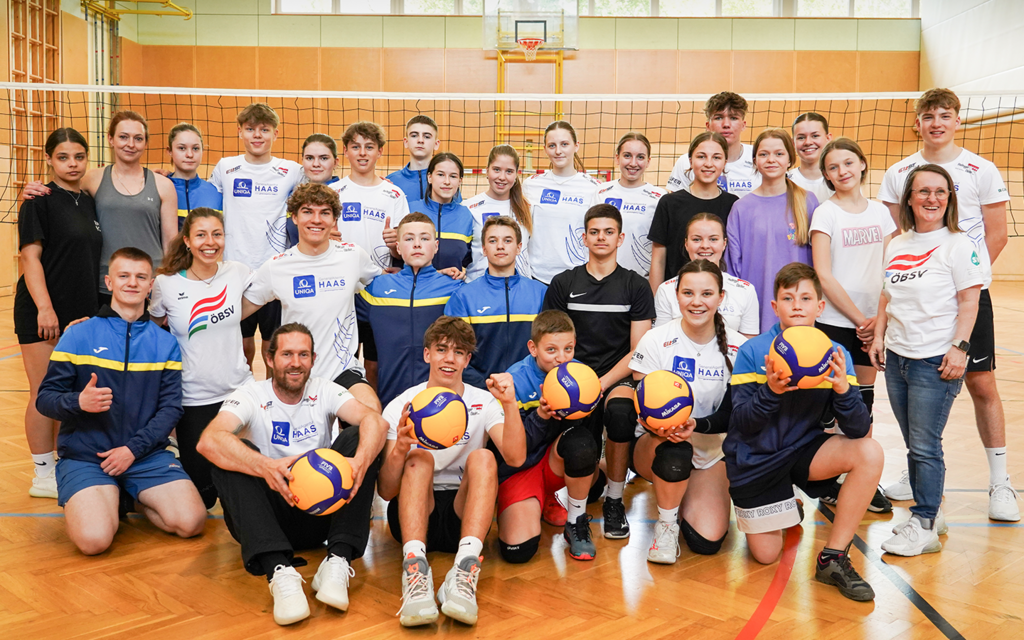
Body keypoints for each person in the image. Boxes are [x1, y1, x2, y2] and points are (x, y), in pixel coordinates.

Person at [877, 88, 1018, 521]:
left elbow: (997, 234)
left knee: (981, 384)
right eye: (928, 115)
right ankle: (917, 472)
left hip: (967, 296)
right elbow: (901, 238)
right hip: (916, 301)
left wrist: (962, 283)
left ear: (958, 120)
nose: (936, 122)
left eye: (945, 115)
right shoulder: (900, 172)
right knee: (911, 389)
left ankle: (1000, 482)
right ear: (916, 123)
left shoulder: (981, 168)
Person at [197, 323, 390, 626]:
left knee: (359, 436)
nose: (295, 363)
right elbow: (208, 440)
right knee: (229, 453)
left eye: (303, 354)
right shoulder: (250, 394)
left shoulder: (325, 389)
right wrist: (265, 465)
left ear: (313, 359)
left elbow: (376, 422)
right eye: (287, 354)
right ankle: (279, 573)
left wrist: (360, 462)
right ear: (270, 359)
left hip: (321, 514)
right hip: (268, 516)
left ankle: (338, 560)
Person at [725, 263, 882, 602]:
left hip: (804, 450)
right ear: (774, 307)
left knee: (870, 452)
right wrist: (771, 391)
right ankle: (784, 502)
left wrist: (843, 389)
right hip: (757, 459)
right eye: (788, 298)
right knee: (766, 554)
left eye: (806, 298)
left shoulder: (836, 354)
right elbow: (741, 424)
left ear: (819, 307)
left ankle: (833, 557)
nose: (797, 305)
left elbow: (857, 430)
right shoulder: (754, 352)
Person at [35, 247, 207, 556]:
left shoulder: (165, 343)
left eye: (141, 277)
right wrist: (79, 401)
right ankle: (100, 498)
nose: (132, 283)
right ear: (109, 282)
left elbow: (171, 409)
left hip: (144, 455)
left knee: (191, 522)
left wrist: (133, 450)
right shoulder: (78, 335)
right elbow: (45, 400)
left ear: (150, 285)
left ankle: (129, 497)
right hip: (87, 457)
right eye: (123, 276)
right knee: (94, 541)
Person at [377, 316, 525, 627]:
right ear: (427, 354)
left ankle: (464, 571)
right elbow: (386, 491)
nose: (449, 358)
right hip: (416, 515)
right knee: (419, 459)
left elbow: (515, 457)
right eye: (442, 349)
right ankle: (415, 573)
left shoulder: (483, 402)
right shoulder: (402, 404)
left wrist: (510, 404)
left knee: (485, 457)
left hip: (464, 515)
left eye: (458, 352)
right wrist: (401, 448)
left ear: (467, 360)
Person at [870, 165, 985, 556]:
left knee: (924, 445)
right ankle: (932, 515)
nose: (931, 199)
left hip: (935, 359)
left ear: (949, 198)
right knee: (914, 443)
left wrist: (961, 348)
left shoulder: (958, 244)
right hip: (899, 357)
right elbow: (887, 294)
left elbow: (971, 300)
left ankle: (923, 523)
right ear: (910, 198)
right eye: (923, 192)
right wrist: (880, 336)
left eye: (939, 191)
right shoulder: (898, 243)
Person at [543, 204, 655, 541]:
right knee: (581, 453)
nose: (601, 237)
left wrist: (601, 384)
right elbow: (552, 341)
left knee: (621, 415)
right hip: (572, 378)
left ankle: (616, 502)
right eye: (594, 232)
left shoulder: (636, 286)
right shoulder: (564, 283)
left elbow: (639, 351)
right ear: (584, 237)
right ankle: (581, 508)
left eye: (608, 232)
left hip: (616, 377)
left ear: (620, 238)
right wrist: (581, 384)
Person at [630, 260, 742, 563]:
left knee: (706, 541)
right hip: (657, 443)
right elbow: (641, 397)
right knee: (674, 455)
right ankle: (665, 526)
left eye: (706, 294)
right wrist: (659, 426)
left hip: (709, 450)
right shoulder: (656, 339)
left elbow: (733, 413)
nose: (696, 302)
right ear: (676, 296)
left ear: (721, 298)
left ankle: (684, 494)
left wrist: (697, 425)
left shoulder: (738, 347)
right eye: (688, 293)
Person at [810, 138, 896, 513]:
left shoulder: (881, 213)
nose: (842, 171)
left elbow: (893, 269)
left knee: (863, 400)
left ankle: (862, 477)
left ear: (862, 164)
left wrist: (879, 320)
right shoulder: (826, 214)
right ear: (827, 175)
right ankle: (829, 479)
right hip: (835, 321)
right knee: (831, 401)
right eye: (833, 167)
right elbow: (823, 276)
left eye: (848, 163)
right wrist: (860, 319)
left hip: (874, 320)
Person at [16, 128, 102, 500]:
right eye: (63, 157)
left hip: (81, 311)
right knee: (43, 392)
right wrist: (45, 309)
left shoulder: (88, 199)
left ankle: (64, 463)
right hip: (43, 312)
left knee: (69, 390)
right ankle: (41, 474)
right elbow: (29, 257)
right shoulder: (38, 202)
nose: (72, 164)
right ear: (49, 159)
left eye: (79, 157)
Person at [243, 183, 382, 412]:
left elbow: (389, 283)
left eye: (325, 212)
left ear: (334, 220)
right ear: (295, 217)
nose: (316, 219)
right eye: (308, 211)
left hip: (343, 370)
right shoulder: (277, 266)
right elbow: (238, 311)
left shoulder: (353, 256)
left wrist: (435, 274)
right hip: (297, 372)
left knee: (371, 413)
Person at [150, 208, 254, 509]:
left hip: (239, 391)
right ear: (186, 241)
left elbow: (277, 285)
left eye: (217, 234)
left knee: (247, 481)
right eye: (201, 234)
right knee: (204, 498)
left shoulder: (238, 272)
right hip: (193, 397)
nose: (210, 242)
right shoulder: (166, 283)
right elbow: (150, 330)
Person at [22, 111, 179, 305]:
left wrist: (171, 287)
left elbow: (171, 246)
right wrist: (36, 188)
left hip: (150, 283)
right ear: (111, 139)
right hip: (105, 283)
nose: (130, 144)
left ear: (146, 143)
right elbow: (63, 195)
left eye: (138, 138)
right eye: (123, 137)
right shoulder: (91, 179)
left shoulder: (163, 185)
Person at [496, 310, 606, 563]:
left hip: (555, 463)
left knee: (582, 449)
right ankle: (536, 499)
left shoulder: (581, 375)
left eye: (568, 349)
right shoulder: (515, 380)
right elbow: (515, 450)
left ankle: (575, 521)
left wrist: (584, 410)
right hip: (522, 467)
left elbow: (585, 439)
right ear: (533, 348)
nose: (561, 358)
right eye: (551, 350)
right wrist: (541, 415)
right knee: (517, 552)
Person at [209, 102, 304, 368]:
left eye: (264, 129)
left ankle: (274, 404)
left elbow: (321, 186)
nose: (257, 135)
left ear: (276, 133)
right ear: (240, 132)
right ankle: (243, 399)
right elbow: (203, 198)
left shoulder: (292, 170)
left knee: (274, 349)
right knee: (241, 346)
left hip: (274, 270)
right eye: (250, 129)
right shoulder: (226, 168)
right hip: (233, 270)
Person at [357, 213, 464, 407]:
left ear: (436, 246)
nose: (417, 244)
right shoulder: (376, 290)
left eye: (424, 238)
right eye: (408, 239)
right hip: (390, 402)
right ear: (397, 247)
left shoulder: (456, 289)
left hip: (442, 403)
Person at [725, 128, 820, 332]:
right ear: (755, 161)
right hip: (756, 311)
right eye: (763, 154)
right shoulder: (741, 208)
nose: (771, 160)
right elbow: (733, 268)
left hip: (799, 310)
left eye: (779, 153)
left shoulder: (807, 201)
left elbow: (819, 260)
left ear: (789, 160)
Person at [444, 216, 547, 387]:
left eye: (508, 240)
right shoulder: (463, 297)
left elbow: (550, 347)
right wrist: (485, 386)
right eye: (493, 241)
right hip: (482, 395)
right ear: (484, 249)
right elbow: (453, 354)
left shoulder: (540, 293)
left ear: (519, 247)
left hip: (532, 394)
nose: (500, 246)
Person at [649, 132, 739, 289]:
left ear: (725, 162)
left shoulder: (733, 204)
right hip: (677, 297)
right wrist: (655, 304)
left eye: (716, 157)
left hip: (719, 295)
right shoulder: (669, 203)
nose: (708, 164)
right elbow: (658, 260)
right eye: (701, 156)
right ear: (690, 161)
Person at [653, 213, 759, 338]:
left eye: (713, 239)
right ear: (686, 244)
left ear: (724, 243)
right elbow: (660, 340)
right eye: (696, 239)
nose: (705, 246)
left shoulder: (745, 290)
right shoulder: (666, 290)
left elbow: (748, 347)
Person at [525, 120, 600, 284]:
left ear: (576, 146)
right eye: (552, 145)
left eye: (564, 144)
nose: (558, 151)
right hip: (538, 277)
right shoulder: (531, 184)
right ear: (545, 149)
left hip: (578, 278)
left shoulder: (594, 188)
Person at [330, 122, 410, 270]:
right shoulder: (332, 192)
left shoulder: (395, 194)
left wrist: (394, 246)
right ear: (345, 151)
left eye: (369, 147)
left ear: (379, 151)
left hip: (380, 279)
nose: (362, 153)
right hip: (341, 276)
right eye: (355, 147)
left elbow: (404, 251)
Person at [592, 131, 667, 278]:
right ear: (617, 158)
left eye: (640, 157)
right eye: (627, 156)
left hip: (642, 280)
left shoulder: (659, 197)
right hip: (604, 278)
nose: (633, 163)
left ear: (648, 161)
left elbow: (661, 249)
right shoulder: (602, 192)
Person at [665, 92, 760, 197]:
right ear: (708, 125)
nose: (726, 125)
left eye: (733, 118)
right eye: (718, 118)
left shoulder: (758, 158)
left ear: (743, 125)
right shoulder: (686, 162)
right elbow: (676, 205)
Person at [464, 144, 533, 281]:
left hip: (518, 289)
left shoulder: (528, 208)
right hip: (480, 287)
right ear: (486, 171)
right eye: (496, 170)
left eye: (509, 171)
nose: (502, 177)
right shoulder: (468, 207)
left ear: (516, 174)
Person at [407, 152, 474, 272]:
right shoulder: (409, 209)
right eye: (441, 175)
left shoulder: (466, 215)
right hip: (415, 287)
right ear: (429, 177)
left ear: (460, 181)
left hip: (452, 288)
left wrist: (463, 272)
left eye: (453, 176)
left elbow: (467, 261)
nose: (447, 181)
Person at [386, 114, 462, 204]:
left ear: (436, 144)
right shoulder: (392, 181)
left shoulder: (445, 181)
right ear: (406, 142)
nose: (420, 140)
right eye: (414, 135)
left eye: (427, 136)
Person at [285, 132, 342, 247]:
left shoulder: (345, 193)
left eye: (324, 158)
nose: (316, 164)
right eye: (309, 158)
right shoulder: (293, 195)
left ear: (336, 162)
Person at [166, 122, 222, 230]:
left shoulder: (216, 194)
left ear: (203, 151)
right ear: (170, 151)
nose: (190, 154)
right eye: (182, 148)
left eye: (195, 148)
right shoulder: (159, 189)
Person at [789, 113, 834, 205]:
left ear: (828, 138)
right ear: (793, 143)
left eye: (815, 136)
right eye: (801, 137)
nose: (808, 142)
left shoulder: (840, 179)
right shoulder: (785, 181)